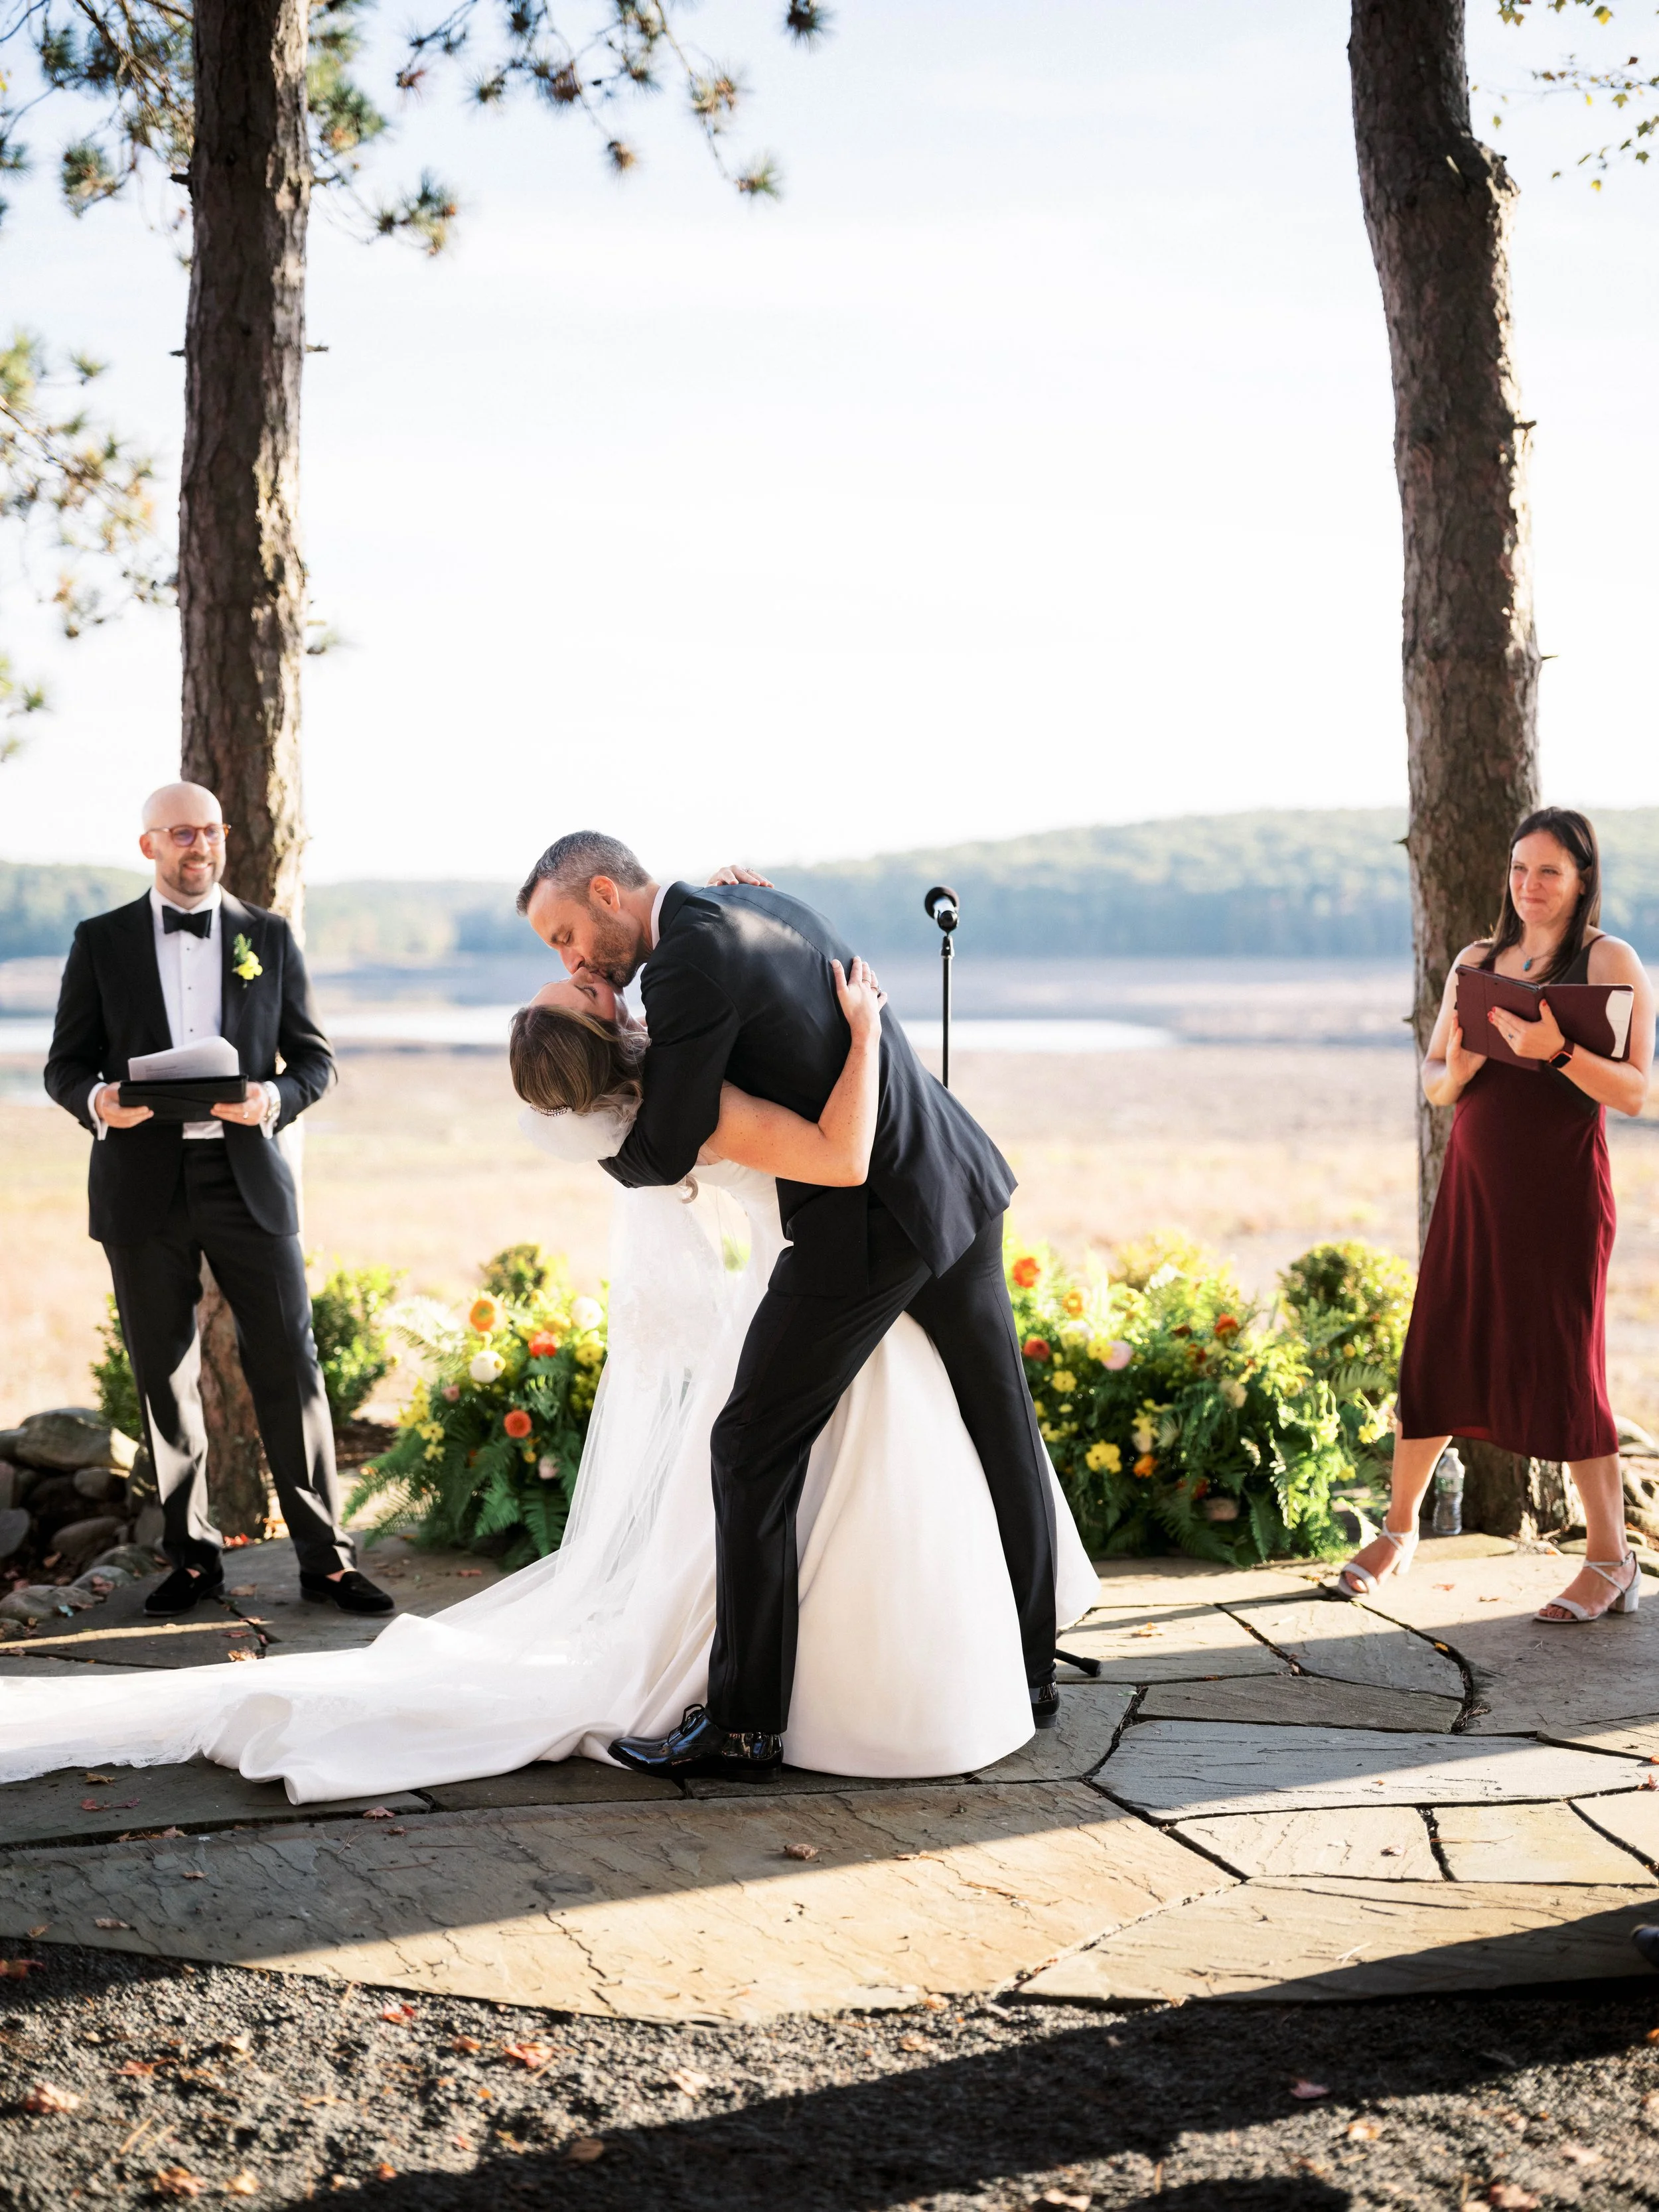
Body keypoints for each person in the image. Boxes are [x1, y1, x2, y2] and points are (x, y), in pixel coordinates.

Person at [0, 919, 1098, 1798]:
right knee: (829, 1457)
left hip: (854, 1252)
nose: (593, 976)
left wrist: (738, 909)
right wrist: (867, 1032)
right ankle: (804, 1704)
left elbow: (729, 999)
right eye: (583, 986)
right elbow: (840, 1152)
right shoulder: (688, 1099)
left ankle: (916, 1677)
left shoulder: (667, 1073)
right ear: (605, 1042)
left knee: (891, 1450)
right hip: (851, 1243)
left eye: (580, 968)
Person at [518, 835, 1068, 1781]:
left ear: (607, 891)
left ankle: (745, 1725)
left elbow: (666, 1141)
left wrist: (607, 1149)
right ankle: (1032, 1674)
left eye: (567, 934)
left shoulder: (688, 960)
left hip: (862, 1227)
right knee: (1002, 1429)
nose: (569, 959)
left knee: (748, 1447)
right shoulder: (752, 905)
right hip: (952, 1176)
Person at [42, 782, 392, 1620]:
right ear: (149, 846)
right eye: (180, 833)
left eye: (209, 831)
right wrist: (99, 1102)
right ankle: (192, 1559)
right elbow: (64, 1065)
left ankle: (327, 1561)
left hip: (246, 1184)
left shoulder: (268, 936)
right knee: (166, 1377)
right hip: (142, 1188)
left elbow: (314, 1060)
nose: (198, 847)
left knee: (291, 1365)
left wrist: (272, 1101)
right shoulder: (101, 941)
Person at [1338, 807, 1654, 1624]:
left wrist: (1551, 1048)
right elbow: (1437, 1080)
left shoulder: (1607, 957)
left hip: (1560, 1195)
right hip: (1474, 1188)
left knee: (1565, 1362)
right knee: (1439, 1342)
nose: (1529, 886)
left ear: (1582, 876)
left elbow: (1633, 1092)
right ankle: (1400, 1528)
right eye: (1519, 869)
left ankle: (1611, 1559)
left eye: (1548, 870)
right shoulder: (1478, 961)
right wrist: (1470, 1055)